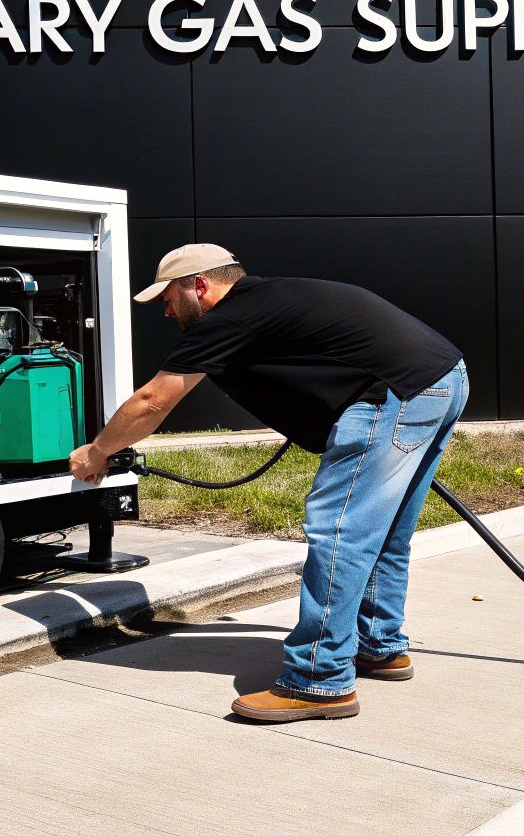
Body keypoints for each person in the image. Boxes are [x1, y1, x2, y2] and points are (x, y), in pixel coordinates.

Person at [68, 244, 467, 723]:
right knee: (384, 533)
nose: (167, 311)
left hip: (396, 395)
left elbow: (153, 400)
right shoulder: (271, 301)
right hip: (443, 378)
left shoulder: (228, 318)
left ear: (200, 286)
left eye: (169, 298)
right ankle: (380, 646)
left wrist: (97, 451)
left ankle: (320, 680)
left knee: (340, 533)